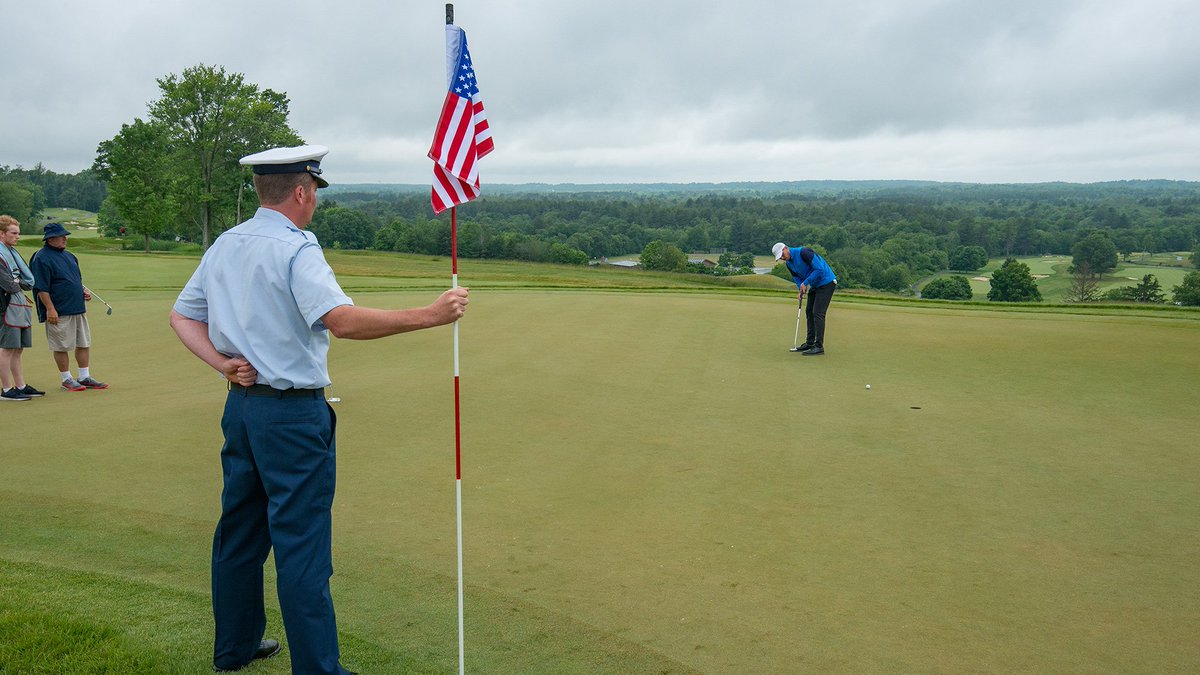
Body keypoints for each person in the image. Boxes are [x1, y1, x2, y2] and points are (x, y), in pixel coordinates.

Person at [169, 145, 468, 674]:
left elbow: (182, 318)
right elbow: (342, 321)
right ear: (302, 191)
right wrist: (431, 314)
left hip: (241, 409)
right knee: (301, 546)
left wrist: (222, 364)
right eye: (314, 193)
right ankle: (318, 670)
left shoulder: (226, 243)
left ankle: (235, 649)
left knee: (239, 533)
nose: (314, 205)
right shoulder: (297, 247)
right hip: (291, 417)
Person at [29, 223, 107, 390]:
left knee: (83, 342)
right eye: (61, 236)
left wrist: (83, 292)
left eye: (65, 235)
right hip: (58, 310)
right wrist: (50, 308)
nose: (65, 238)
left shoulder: (70, 256)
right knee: (61, 345)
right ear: (50, 239)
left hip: (77, 307)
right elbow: (41, 288)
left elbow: (76, 281)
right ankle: (66, 378)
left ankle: (84, 376)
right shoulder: (41, 258)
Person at [0, 215, 44, 401]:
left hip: (17, 303)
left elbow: (23, 282)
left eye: (18, 233)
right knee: (7, 348)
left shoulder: (11, 252)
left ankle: (21, 385)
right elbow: (9, 284)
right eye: (14, 233)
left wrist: (17, 281)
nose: (18, 236)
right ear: (2, 234)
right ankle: (7, 389)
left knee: (18, 348)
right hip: (7, 305)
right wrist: (18, 281)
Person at [773, 242, 837, 355]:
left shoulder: (804, 252)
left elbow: (819, 269)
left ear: (786, 248)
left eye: (782, 255)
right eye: (780, 257)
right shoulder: (789, 264)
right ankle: (810, 343)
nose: (782, 258)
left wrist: (805, 283)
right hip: (815, 284)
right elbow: (797, 278)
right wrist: (801, 289)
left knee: (818, 313)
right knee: (809, 311)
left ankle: (819, 347)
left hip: (827, 282)